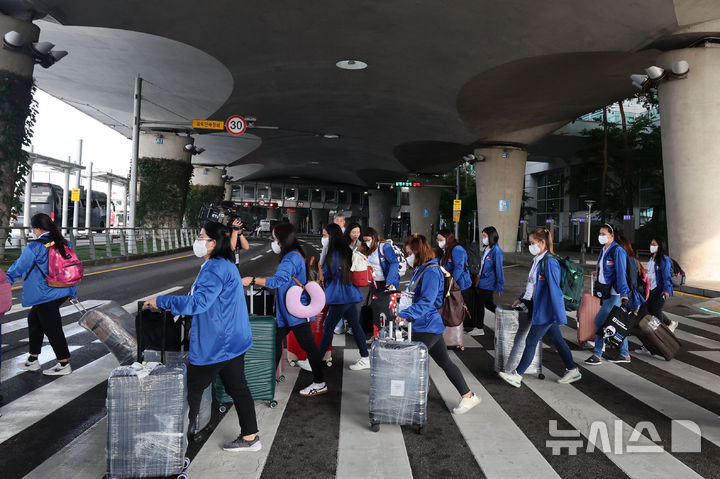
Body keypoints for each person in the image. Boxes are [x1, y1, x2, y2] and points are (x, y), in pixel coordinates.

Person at [144, 222, 260, 451]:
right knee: (238, 388)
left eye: (201, 237)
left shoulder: (215, 268)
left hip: (217, 342)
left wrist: (162, 300)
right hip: (233, 338)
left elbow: (199, 303)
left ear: (213, 243)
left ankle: (178, 444)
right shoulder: (226, 264)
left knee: (190, 390)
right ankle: (250, 437)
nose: (197, 241)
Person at [396, 234, 481, 414]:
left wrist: (405, 314)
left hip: (428, 326)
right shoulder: (422, 269)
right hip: (424, 324)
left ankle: (414, 401)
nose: (407, 256)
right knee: (444, 361)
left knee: (413, 362)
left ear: (418, 252)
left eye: (409, 252)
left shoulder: (431, 271)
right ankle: (468, 396)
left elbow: (427, 302)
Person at [242, 223, 327, 397]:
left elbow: (277, 282)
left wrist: (252, 280)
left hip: (295, 312)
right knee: (275, 342)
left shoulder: (290, 258)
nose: (273, 241)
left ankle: (319, 382)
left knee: (309, 347)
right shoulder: (294, 255)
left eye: (274, 238)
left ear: (281, 239)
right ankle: (266, 379)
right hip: (286, 313)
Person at [499, 228, 582, 387]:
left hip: (546, 310)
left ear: (542, 243)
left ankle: (517, 375)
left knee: (531, 341)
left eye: (532, 243)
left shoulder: (550, 262)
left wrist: (559, 314)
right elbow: (533, 285)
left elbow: (555, 290)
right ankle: (572, 369)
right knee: (557, 340)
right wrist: (521, 298)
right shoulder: (538, 259)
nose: (530, 246)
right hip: (540, 308)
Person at [6, 213, 77, 376]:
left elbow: (19, 267)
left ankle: (63, 363)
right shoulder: (64, 242)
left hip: (45, 293)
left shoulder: (34, 247)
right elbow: (71, 269)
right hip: (62, 291)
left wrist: (6, 280)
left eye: (33, 228)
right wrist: (72, 292)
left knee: (52, 327)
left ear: (37, 229)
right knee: (35, 320)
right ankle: (33, 359)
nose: (32, 231)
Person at [317, 224, 370, 370]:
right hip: (349, 293)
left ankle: (316, 361)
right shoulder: (346, 249)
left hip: (340, 295)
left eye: (325, 235)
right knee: (355, 325)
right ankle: (365, 357)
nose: (323, 238)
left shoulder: (334, 252)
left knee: (328, 327)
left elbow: (329, 273)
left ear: (331, 236)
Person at [584, 223, 631, 365]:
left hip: (615, 293)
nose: (601, 236)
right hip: (605, 292)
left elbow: (621, 273)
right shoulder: (604, 250)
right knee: (614, 323)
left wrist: (624, 293)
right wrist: (598, 274)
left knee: (600, 321)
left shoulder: (617, 251)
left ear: (612, 236)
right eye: (600, 234)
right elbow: (604, 268)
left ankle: (597, 354)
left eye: (604, 234)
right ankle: (625, 354)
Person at [636, 238, 676, 354]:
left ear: (660, 246)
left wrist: (666, 291)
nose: (651, 246)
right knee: (648, 314)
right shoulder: (652, 258)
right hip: (650, 291)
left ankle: (661, 344)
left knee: (655, 319)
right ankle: (652, 344)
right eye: (651, 243)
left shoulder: (663, 260)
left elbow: (666, 276)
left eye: (654, 244)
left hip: (659, 292)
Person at [436, 229, 475, 332]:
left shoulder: (457, 249)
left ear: (447, 239)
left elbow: (459, 267)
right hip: (452, 284)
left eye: (441, 239)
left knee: (460, 307)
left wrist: (451, 281)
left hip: (460, 284)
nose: (439, 242)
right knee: (454, 306)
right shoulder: (444, 250)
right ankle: (456, 328)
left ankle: (464, 329)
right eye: (438, 240)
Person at [475, 226, 504, 331]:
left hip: (488, 283)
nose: (483, 238)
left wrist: (500, 286)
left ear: (491, 236)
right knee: (488, 304)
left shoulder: (497, 251)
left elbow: (499, 270)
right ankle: (504, 317)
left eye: (485, 236)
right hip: (482, 281)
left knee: (479, 304)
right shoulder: (487, 249)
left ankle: (479, 328)